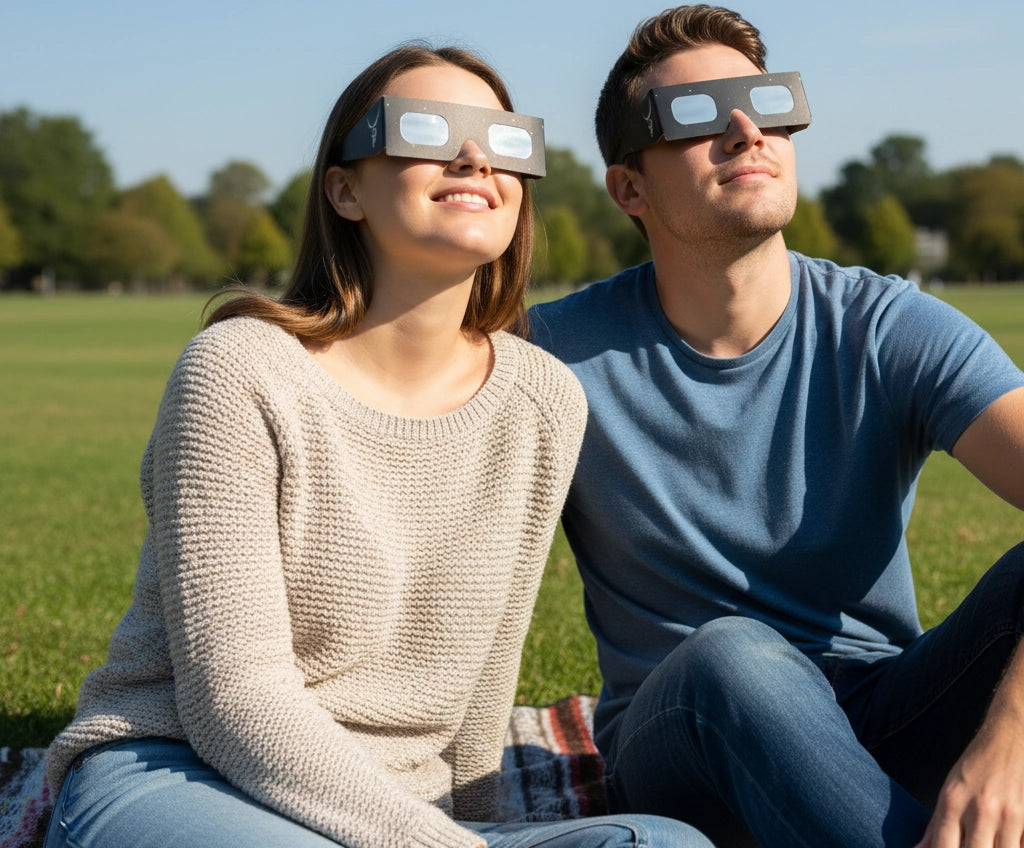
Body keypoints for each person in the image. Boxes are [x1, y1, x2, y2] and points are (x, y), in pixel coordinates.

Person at [43, 43, 713, 848]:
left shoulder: (542, 398)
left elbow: (484, 682)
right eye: (426, 130)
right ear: (345, 189)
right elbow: (234, 700)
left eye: (505, 141)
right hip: (184, 773)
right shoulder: (239, 370)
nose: (474, 157)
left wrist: (477, 826)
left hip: (403, 813)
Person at [530, 4, 1024, 848]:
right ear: (629, 188)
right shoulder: (552, 355)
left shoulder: (885, 326)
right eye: (694, 115)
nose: (745, 130)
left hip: (880, 711)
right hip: (684, 737)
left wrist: (1009, 739)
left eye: (767, 101)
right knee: (734, 655)